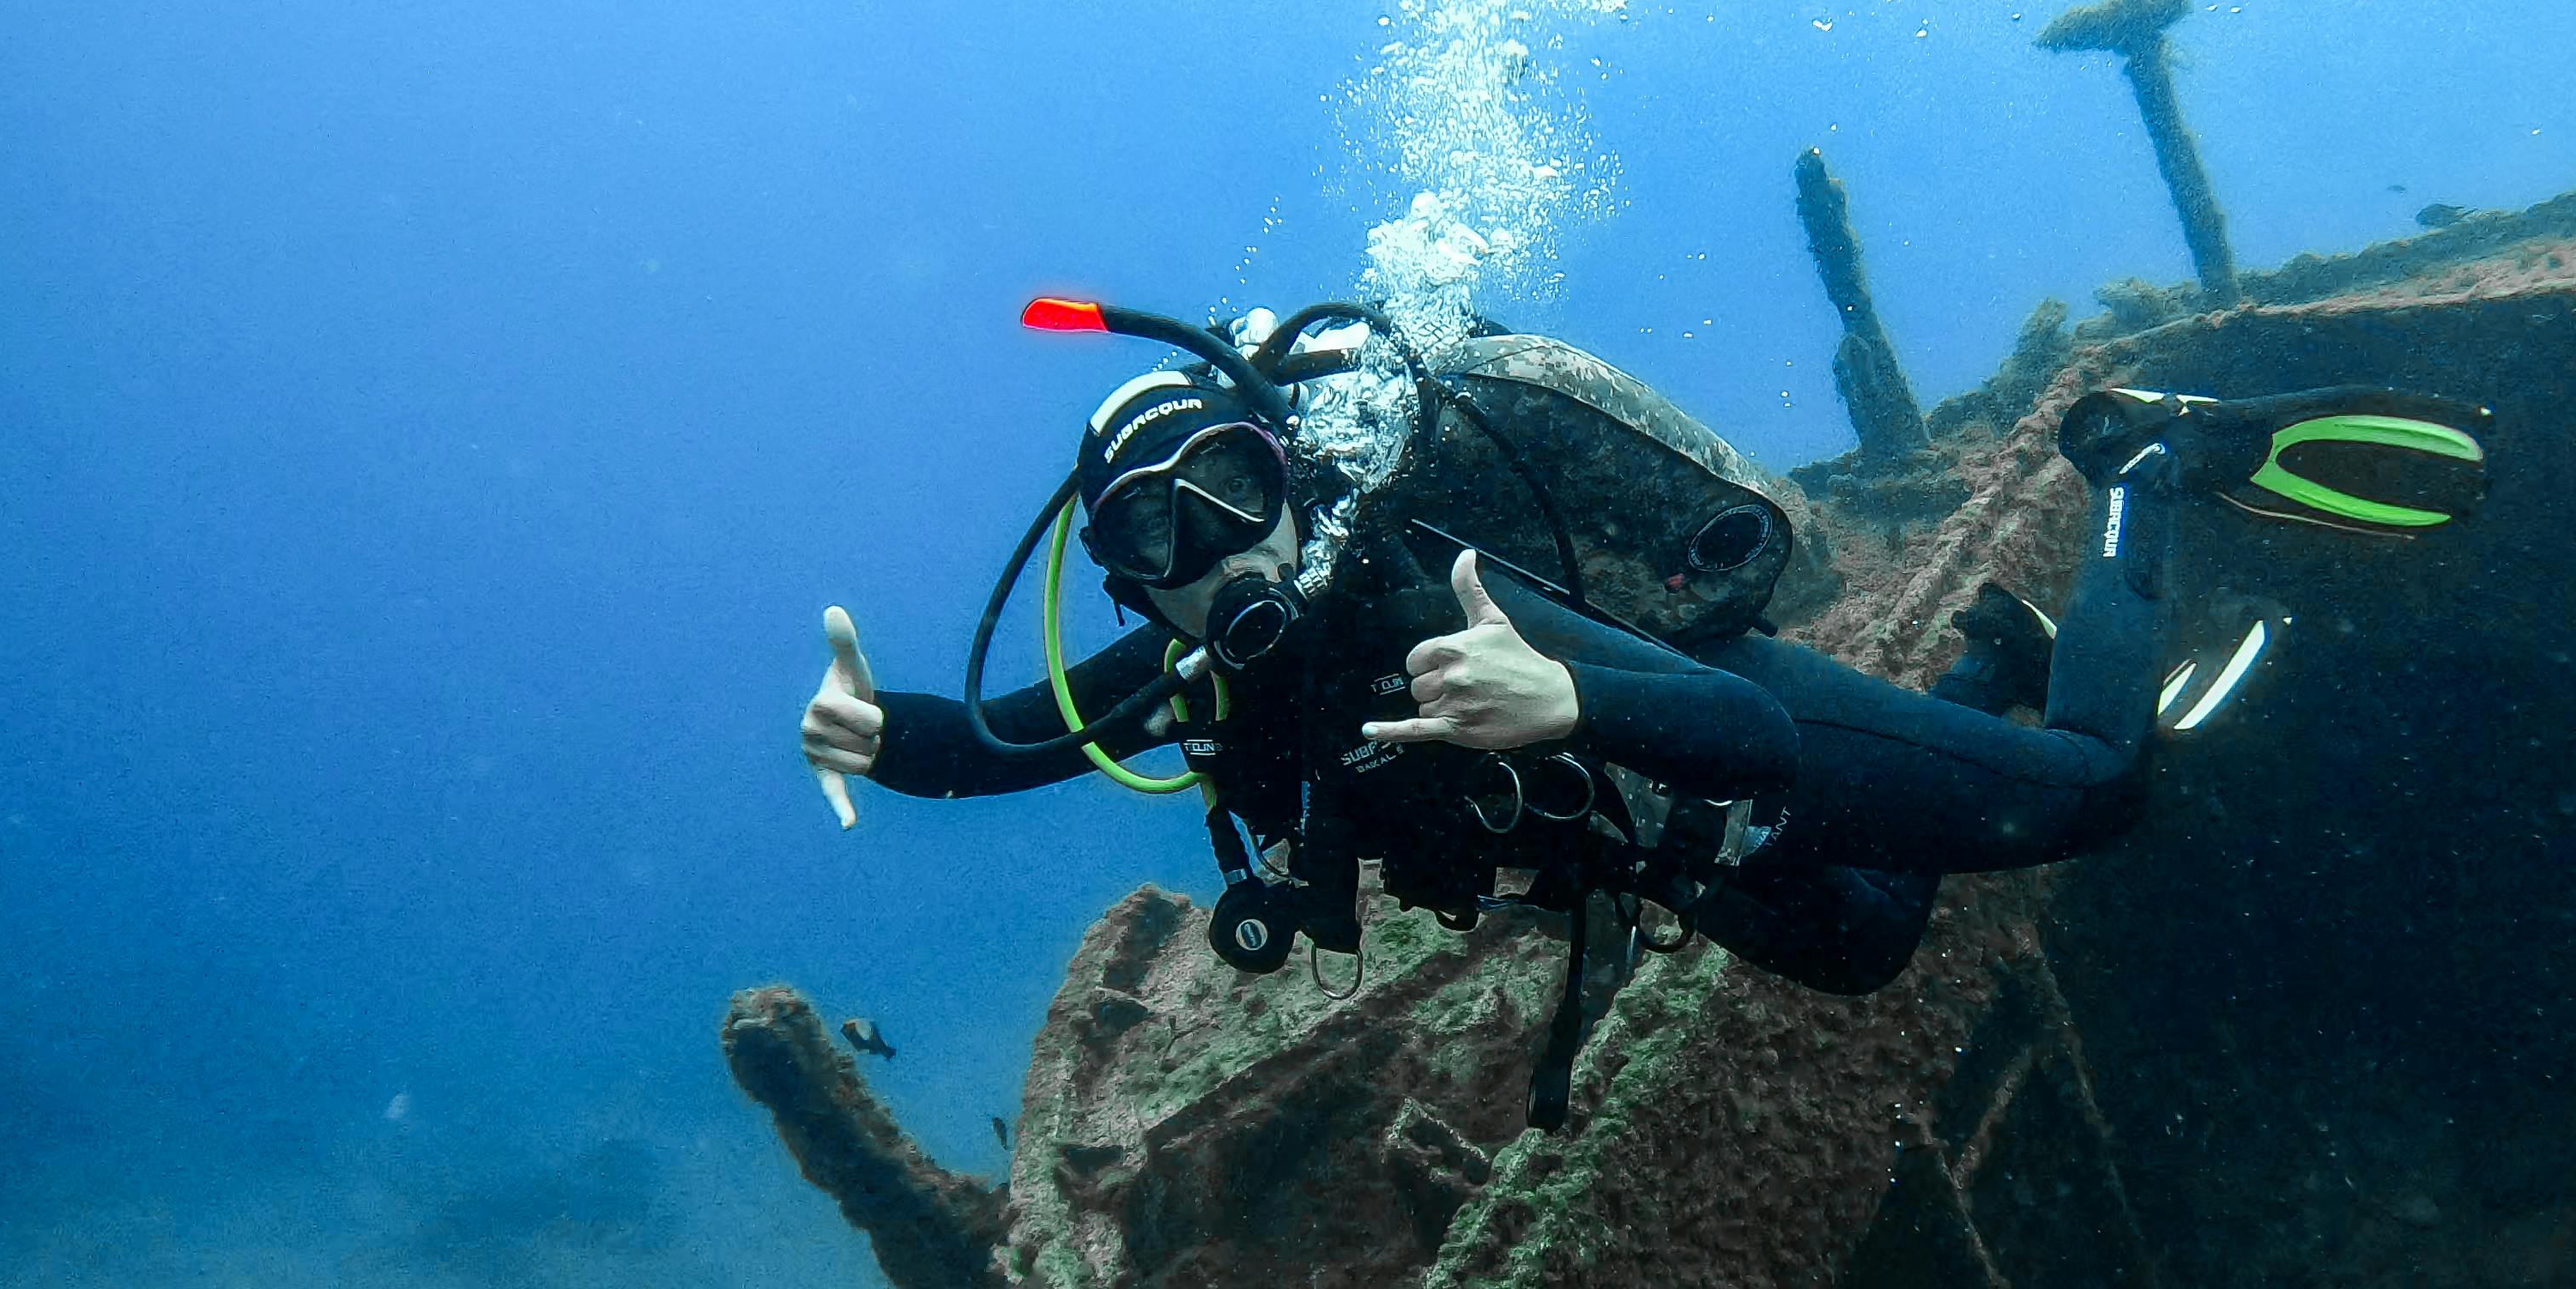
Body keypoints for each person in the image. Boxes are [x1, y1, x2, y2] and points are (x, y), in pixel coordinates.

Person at [801, 306, 2485, 1124]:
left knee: (2091, 798)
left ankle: (2151, 466)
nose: (1212, 551)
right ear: (1123, 581)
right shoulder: (1201, 668)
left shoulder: (1425, 585)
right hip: (1665, 846)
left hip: (1718, 728)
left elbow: (1756, 745)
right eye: (1152, 536)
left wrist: (1561, 693)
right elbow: (994, 746)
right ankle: (1991, 647)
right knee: (1864, 949)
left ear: (1291, 472)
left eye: (1230, 485)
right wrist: (878, 736)